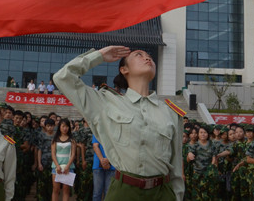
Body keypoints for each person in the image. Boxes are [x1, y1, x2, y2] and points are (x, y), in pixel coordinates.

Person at [54, 46, 184, 200]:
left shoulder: (170, 112)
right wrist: (99, 56)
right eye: (139, 55)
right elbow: (63, 78)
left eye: (150, 56)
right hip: (124, 192)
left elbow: (176, 168)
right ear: (124, 69)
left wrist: (176, 196)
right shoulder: (105, 102)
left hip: (163, 193)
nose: (148, 58)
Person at [51, 118, 75, 201]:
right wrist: (57, 166)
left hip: (68, 167)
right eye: (63, 126)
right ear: (59, 127)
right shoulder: (55, 139)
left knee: (66, 190)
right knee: (56, 189)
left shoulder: (72, 140)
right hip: (56, 167)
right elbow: (53, 154)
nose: (65, 128)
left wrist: (68, 166)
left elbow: (73, 154)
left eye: (67, 126)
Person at [92, 132, 115, 201]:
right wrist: (102, 160)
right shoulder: (97, 129)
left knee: (108, 193)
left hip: (112, 166)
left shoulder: (115, 130)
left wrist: (109, 160)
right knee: (97, 192)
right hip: (98, 165)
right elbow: (95, 146)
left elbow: (118, 148)